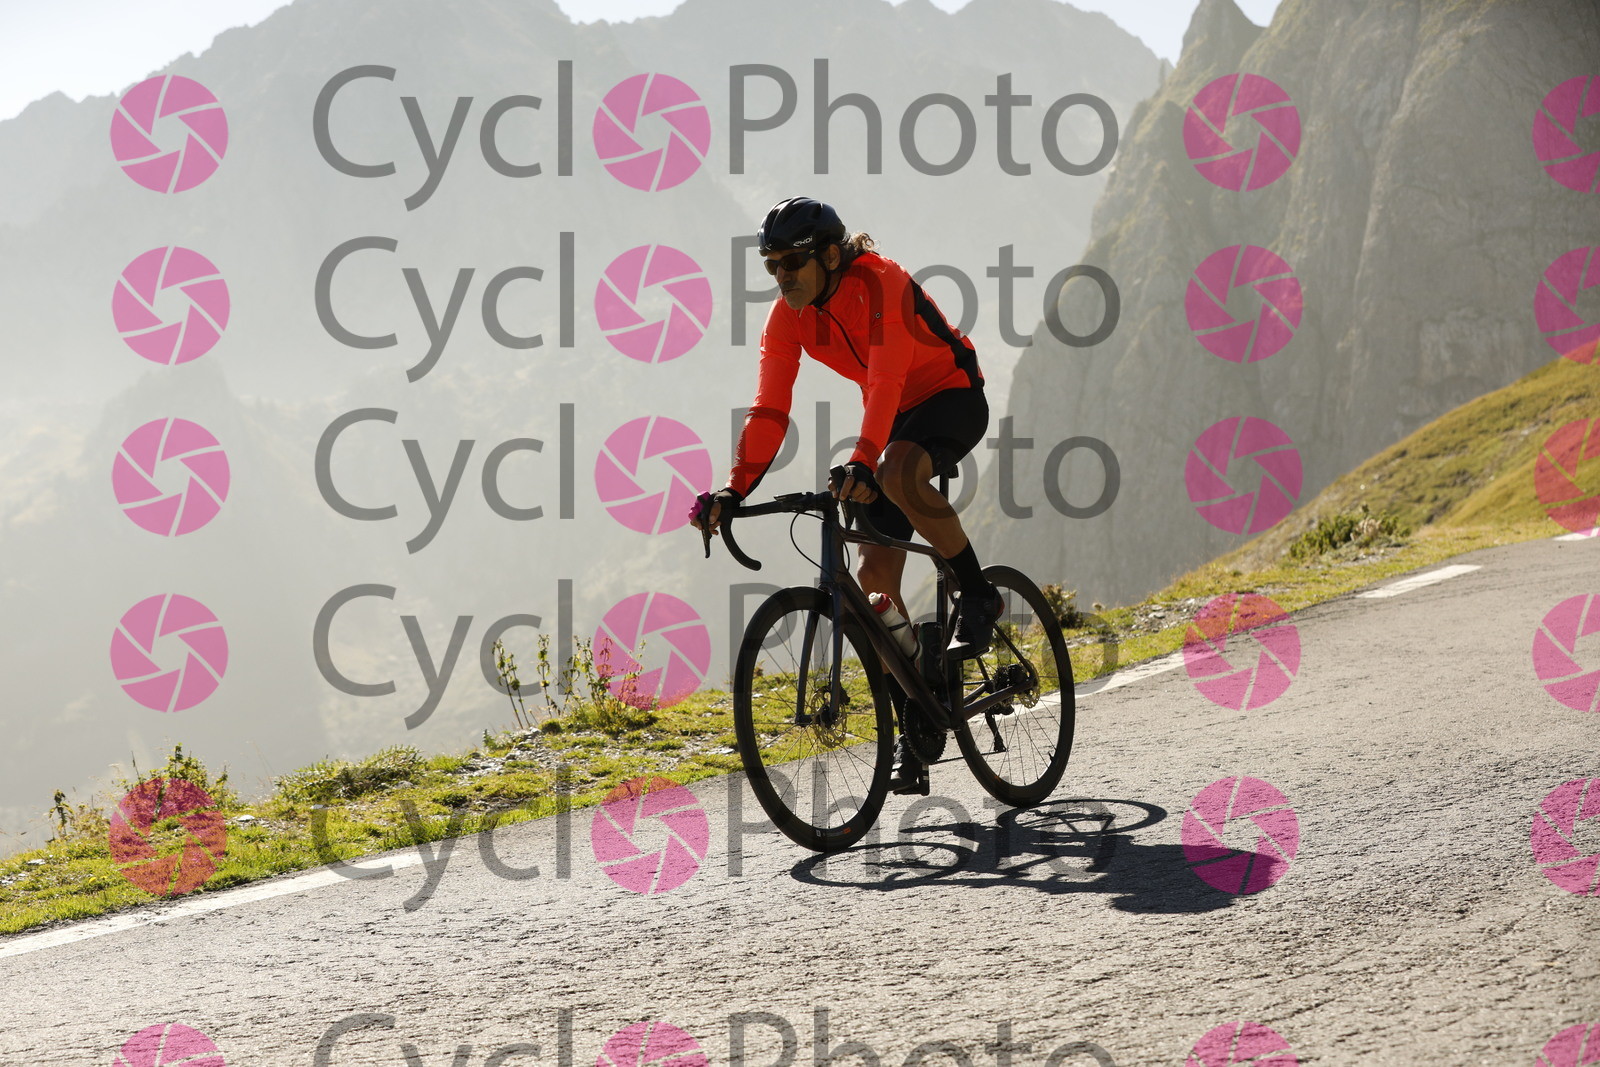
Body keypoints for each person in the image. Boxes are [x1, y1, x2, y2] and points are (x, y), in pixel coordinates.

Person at [690, 196, 1001, 793]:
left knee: (897, 471)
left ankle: (979, 593)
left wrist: (864, 459)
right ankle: (919, 711)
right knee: (872, 585)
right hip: (891, 417)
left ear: (830, 256)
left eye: (791, 263)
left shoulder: (882, 282)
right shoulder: (788, 317)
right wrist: (733, 488)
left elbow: (886, 379)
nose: (781, 277)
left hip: (951, 393)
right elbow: (769, 409)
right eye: (771, 266)